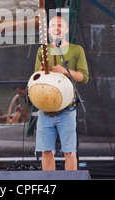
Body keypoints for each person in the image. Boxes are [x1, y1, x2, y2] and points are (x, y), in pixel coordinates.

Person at [33, 15, 89, 171]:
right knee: (46, 151)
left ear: (66, 29)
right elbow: (36, 78)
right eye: (52, 25)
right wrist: (41, 72)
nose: (56, 28)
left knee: (70, 152)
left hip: (67, 110)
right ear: (48, 30)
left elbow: (84, 77)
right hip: (45, 110)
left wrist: (65, 71)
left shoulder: (76, 50)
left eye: (59, 25)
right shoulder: (42, 50)